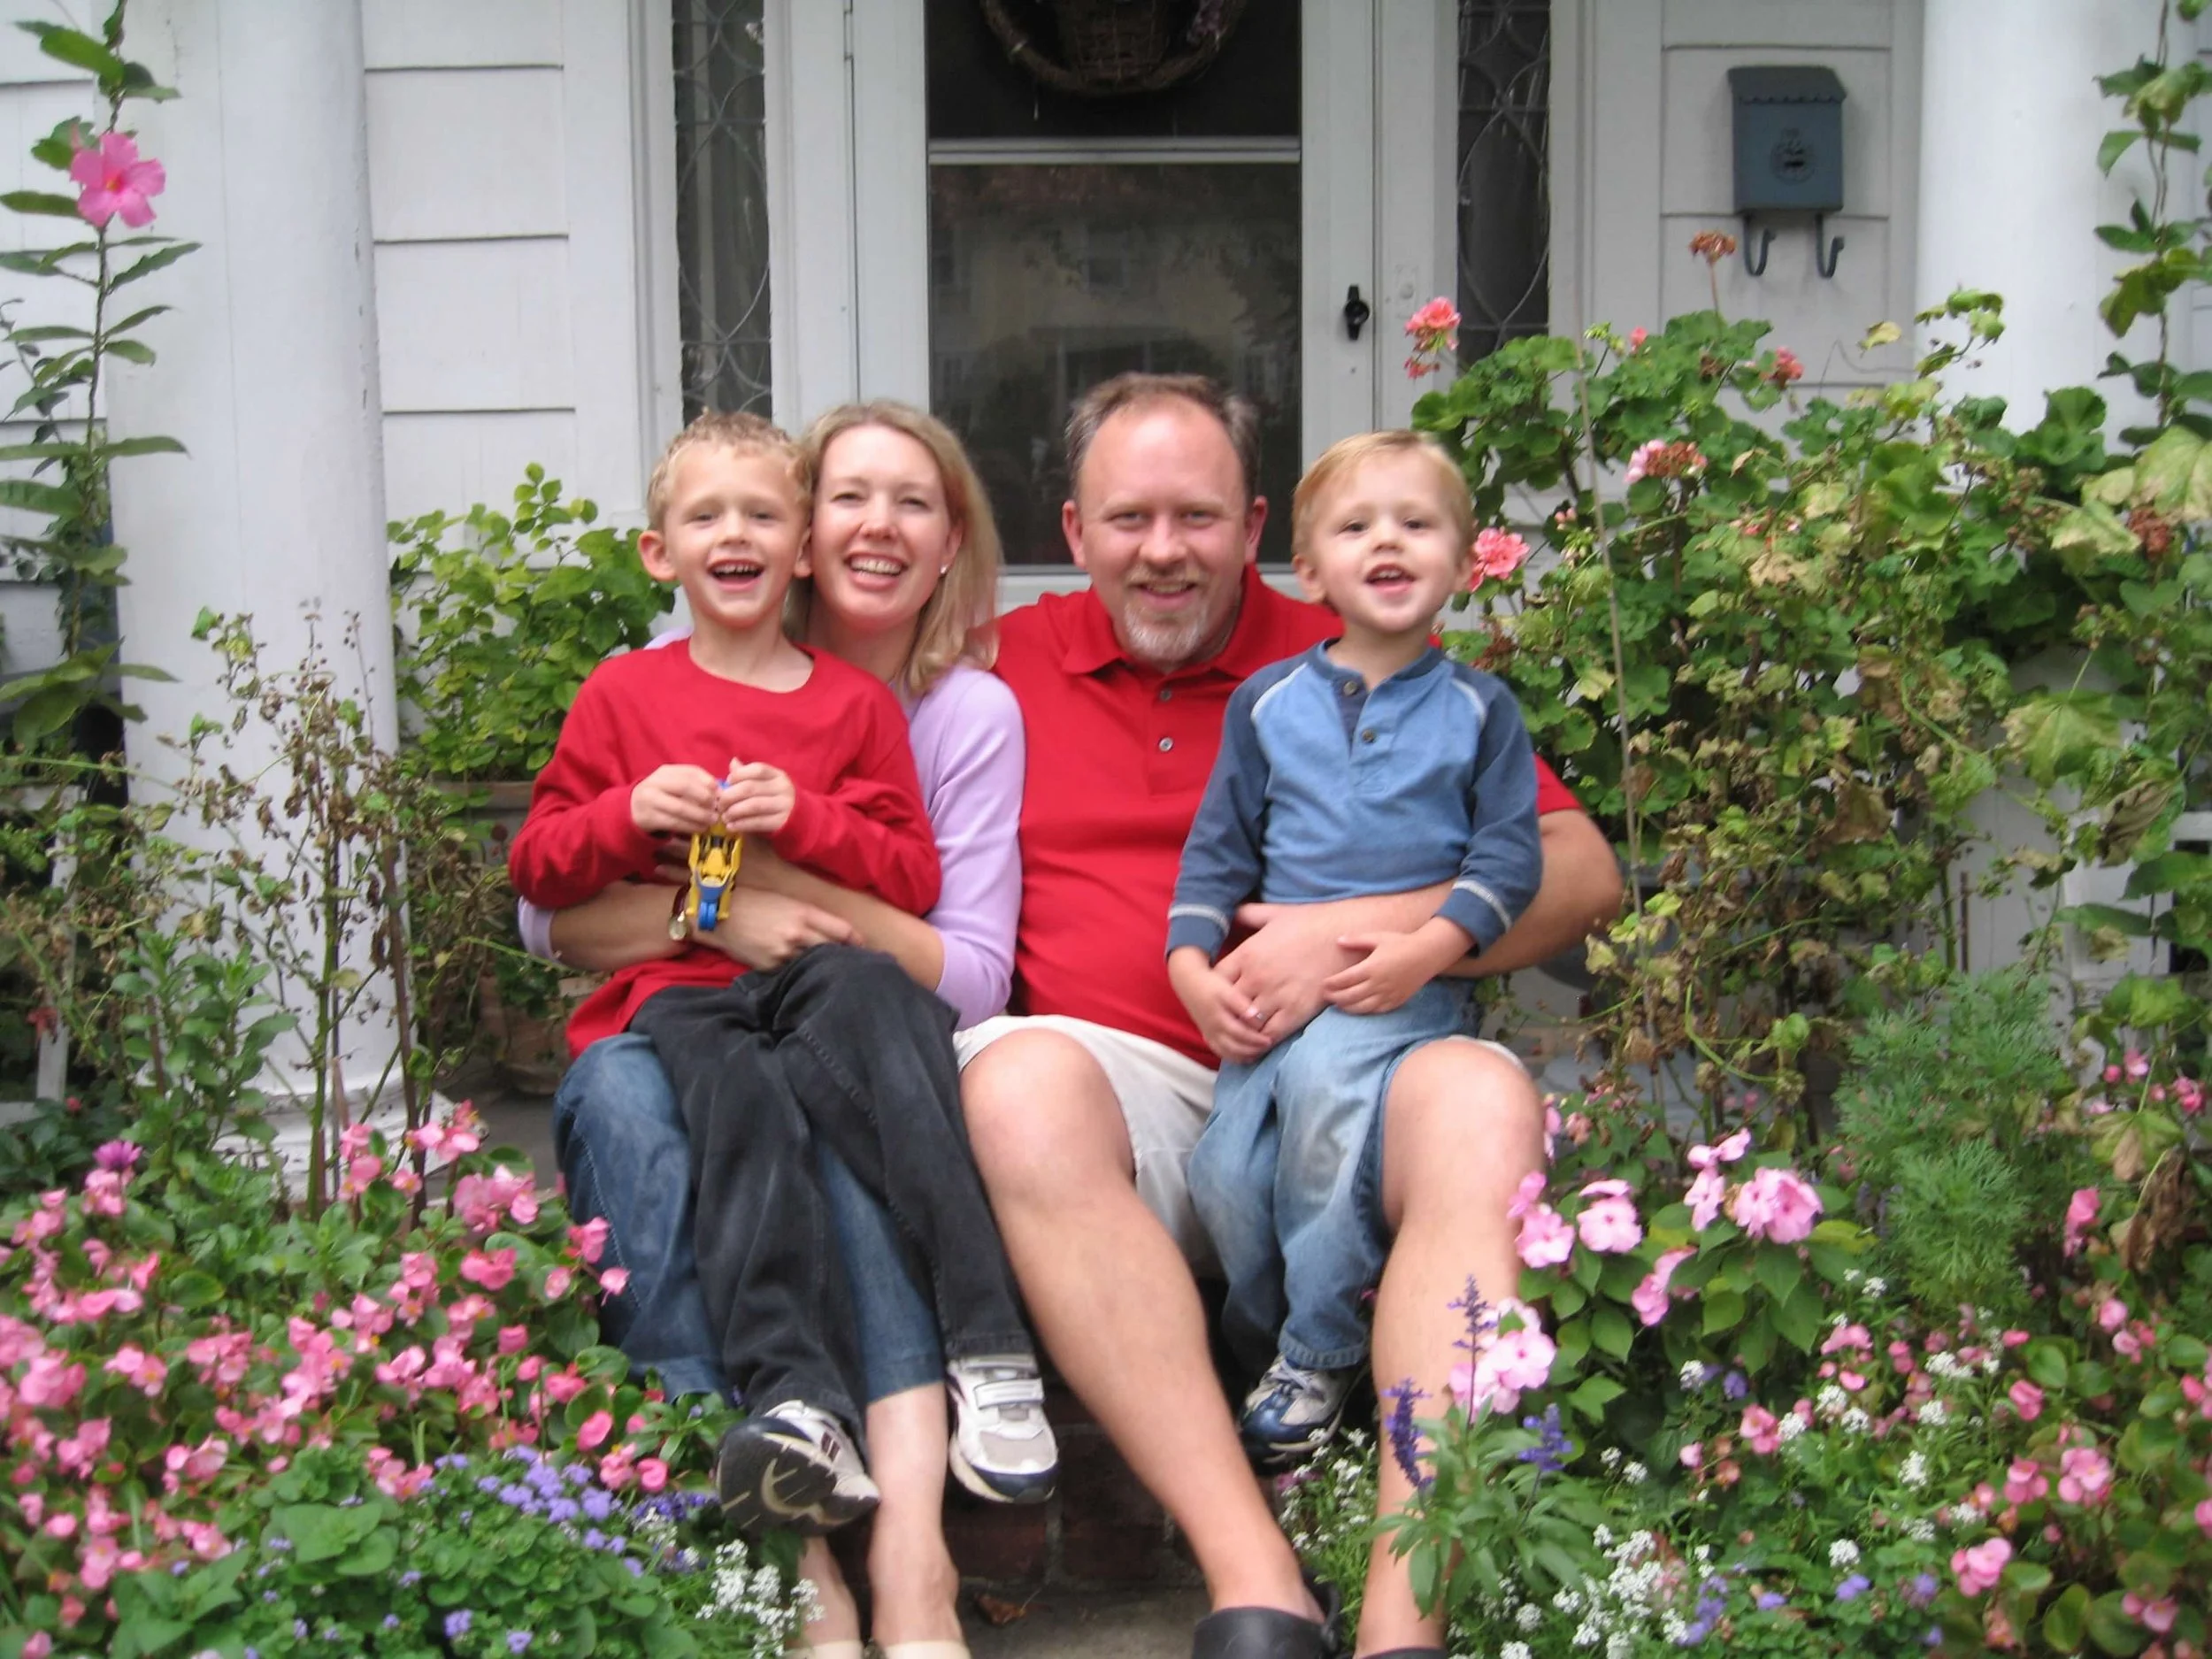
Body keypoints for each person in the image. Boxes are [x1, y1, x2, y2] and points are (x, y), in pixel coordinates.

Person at [952, 373, 1623, 1659]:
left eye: (1198, 517)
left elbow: (1580, 870)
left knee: (1484, 1104)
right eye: (1128, 517)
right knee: (1018, 1087)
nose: (1163, 550)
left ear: (1259, 528)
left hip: (1356, 1054)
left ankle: (1402, 1624)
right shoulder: (995, 663)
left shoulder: (1361, 649)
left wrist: (1348, 936)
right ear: (1074, 530)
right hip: (1125, 1095)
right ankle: (1255, 1580)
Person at [527, 400, 1032, 1658]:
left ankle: (928, 1505)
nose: (739, 536)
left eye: (763, 514)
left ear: (793, 544)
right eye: (709, 517)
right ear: (661, 549)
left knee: (850, 1108)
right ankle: (783, 1516)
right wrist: (680, 868)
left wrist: (795, 829)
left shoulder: (894, 713)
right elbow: (545, 893)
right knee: (704, 1116)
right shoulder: (636, 688)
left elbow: (932, 913)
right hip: (679, 1002)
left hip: (836, 1001)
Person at [1166, 428, 1544, 1473]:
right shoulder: (1266, 705)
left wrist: (1427, 951)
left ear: (1461, 563)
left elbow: (1508, 860)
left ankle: (1316, 1352)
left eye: (1416, 524)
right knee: (1225, 1172)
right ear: (1309, 570)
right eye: (1356, 527)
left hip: (1395, 996)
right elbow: (1216, 857)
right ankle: (1270, 1341)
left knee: (1331, 1107)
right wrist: (1189, 969)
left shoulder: (1478, 711)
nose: (1387, 542)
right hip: (1272, 1005)